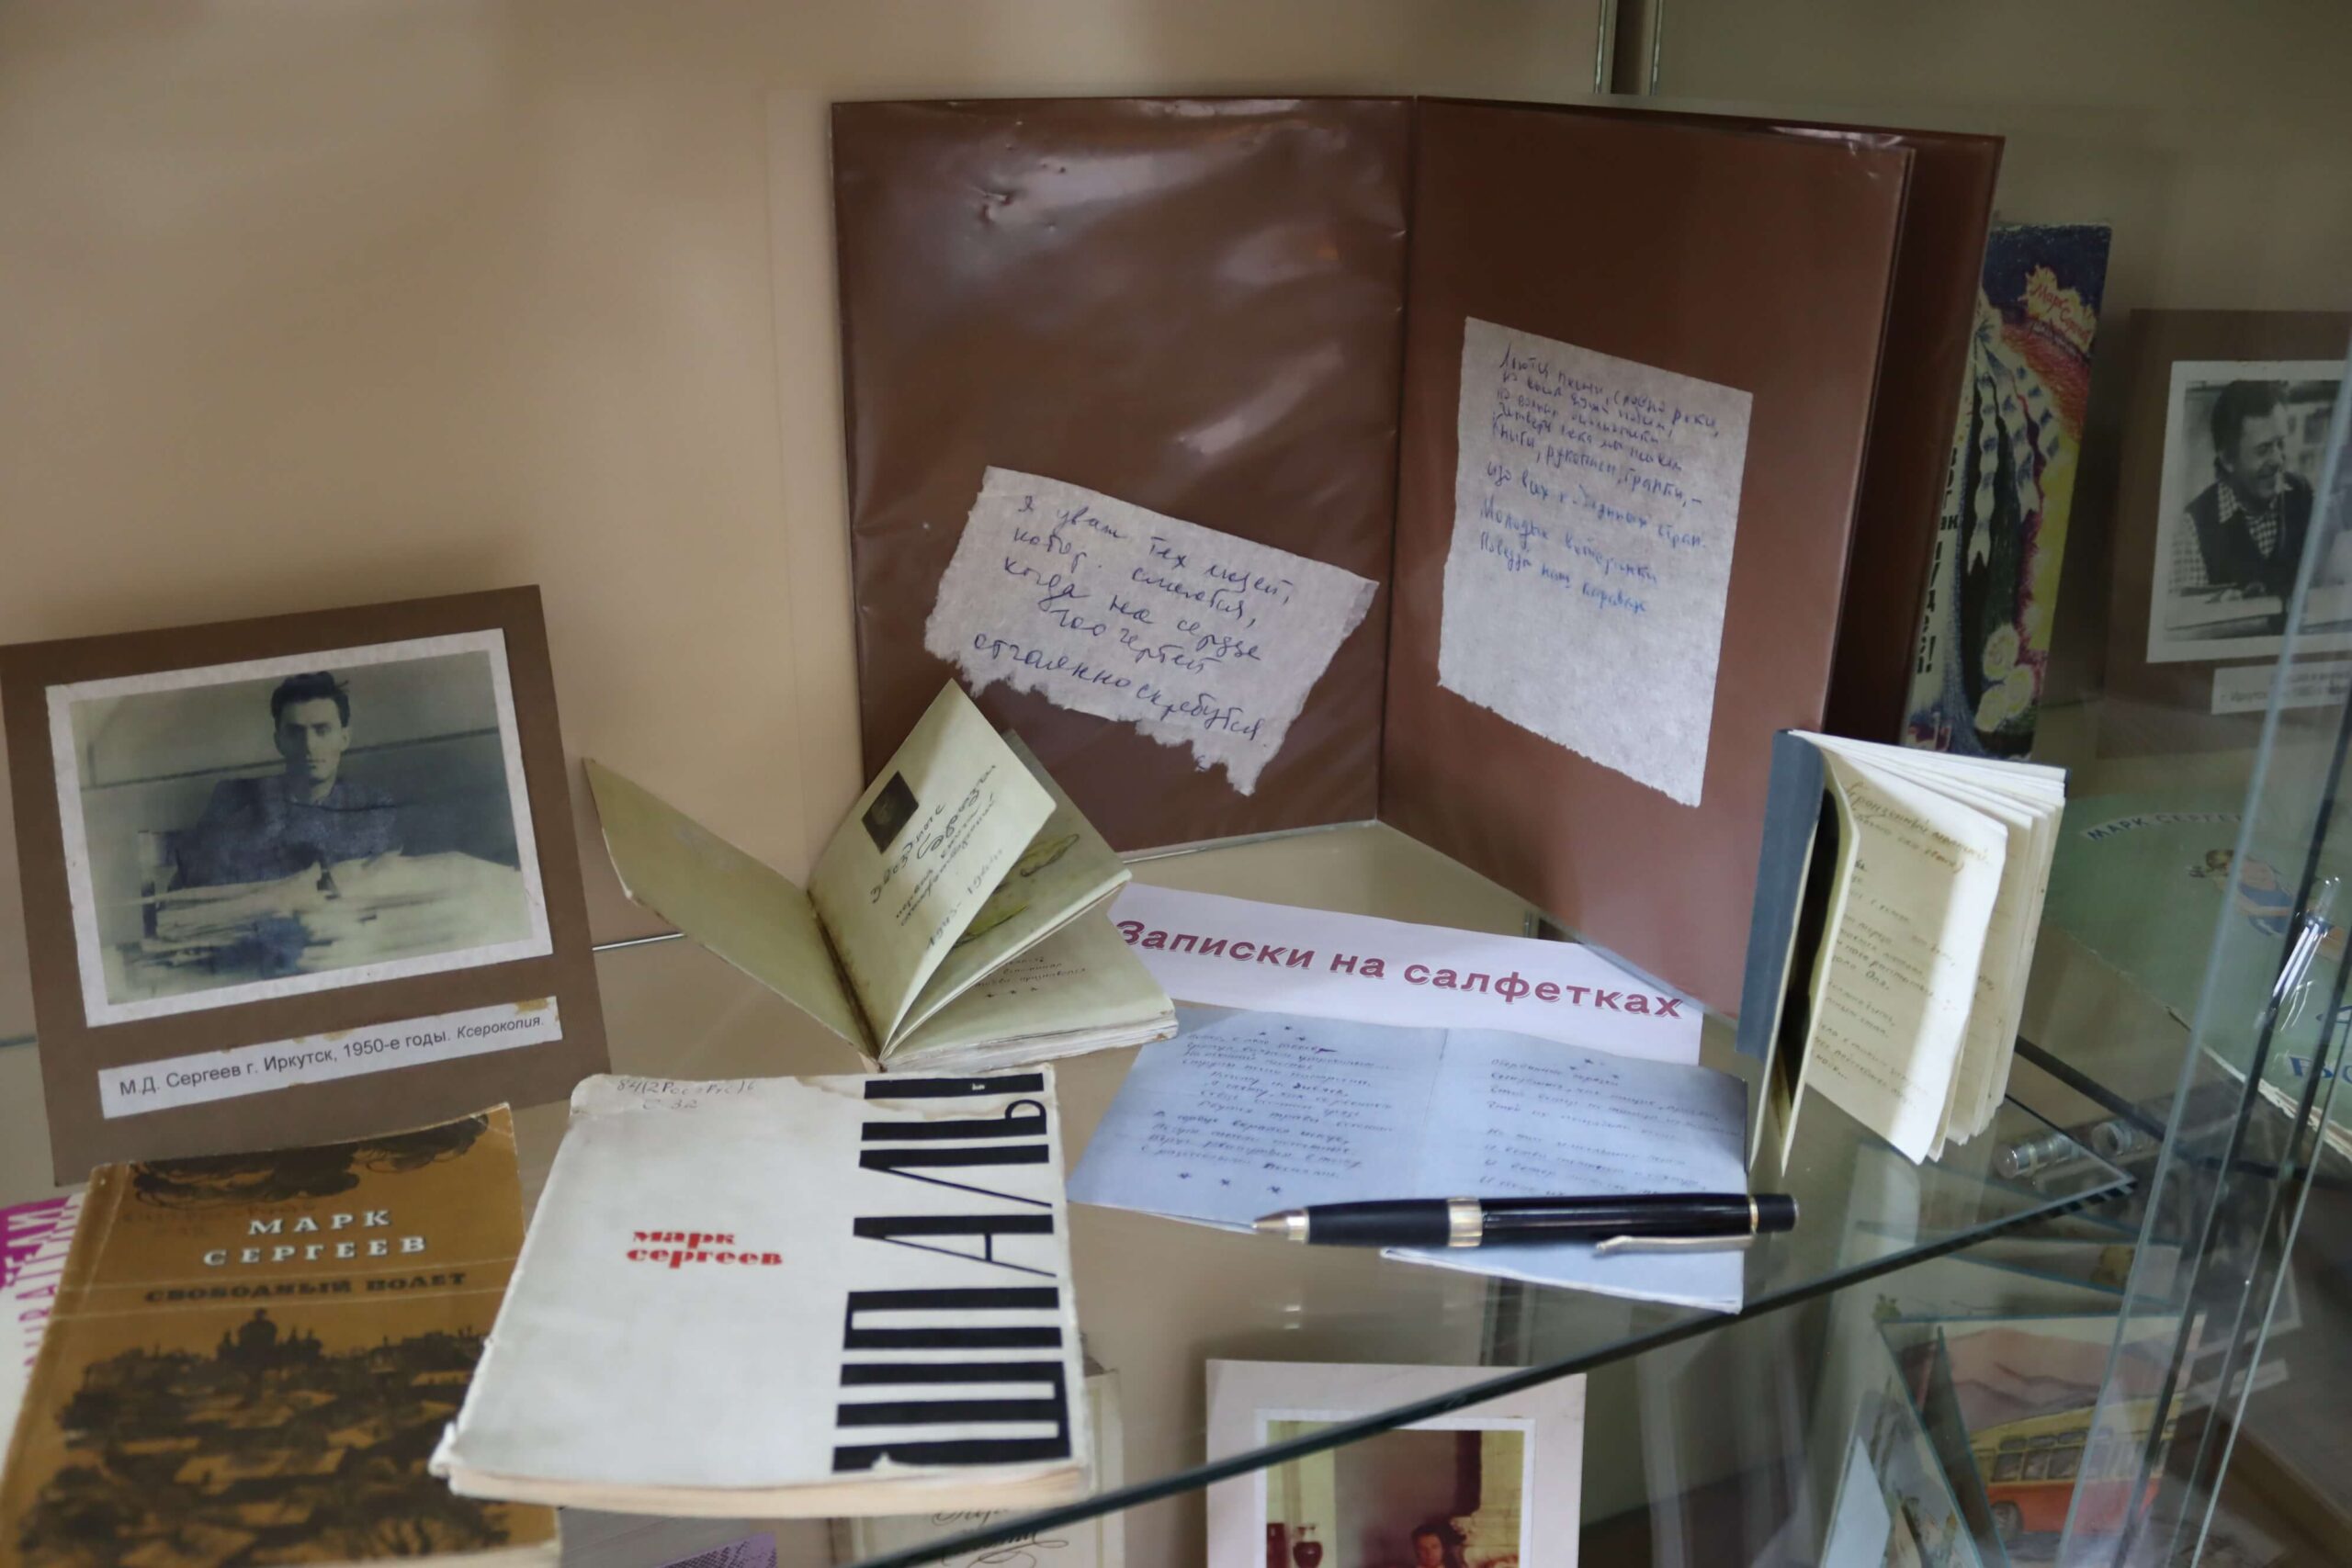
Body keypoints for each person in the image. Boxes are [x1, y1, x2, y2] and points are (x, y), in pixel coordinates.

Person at [173, 672, 402, 888]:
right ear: (279, 742)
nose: (309, 745)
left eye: (322, 730)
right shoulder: (235, 800)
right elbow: (191, 882)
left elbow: (389, 884)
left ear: (344, 738)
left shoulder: (372, 807)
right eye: (295, 732)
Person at [2185, 379, 2315, 604]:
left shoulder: (2303, 496)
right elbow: (2187, 619)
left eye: (2281, 444)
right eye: (2263, 450)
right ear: (2227, 459)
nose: (2278, 460)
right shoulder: (2193, 528)